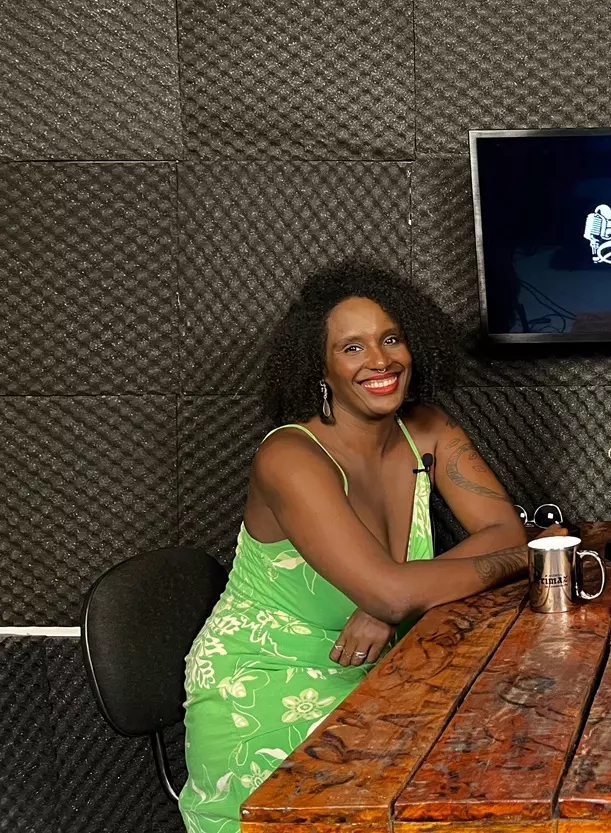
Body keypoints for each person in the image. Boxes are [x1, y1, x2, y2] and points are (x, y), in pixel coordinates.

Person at [179, 262, 546, 833]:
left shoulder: (427, 428)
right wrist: (525, 559)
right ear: (319, 366)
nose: (380, 361)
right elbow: (398, 592)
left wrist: (392, 596)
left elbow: (501, 530)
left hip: (386, 679)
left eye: (392, 339)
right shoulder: (290, 458)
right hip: (266, 683)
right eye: (352, 348)